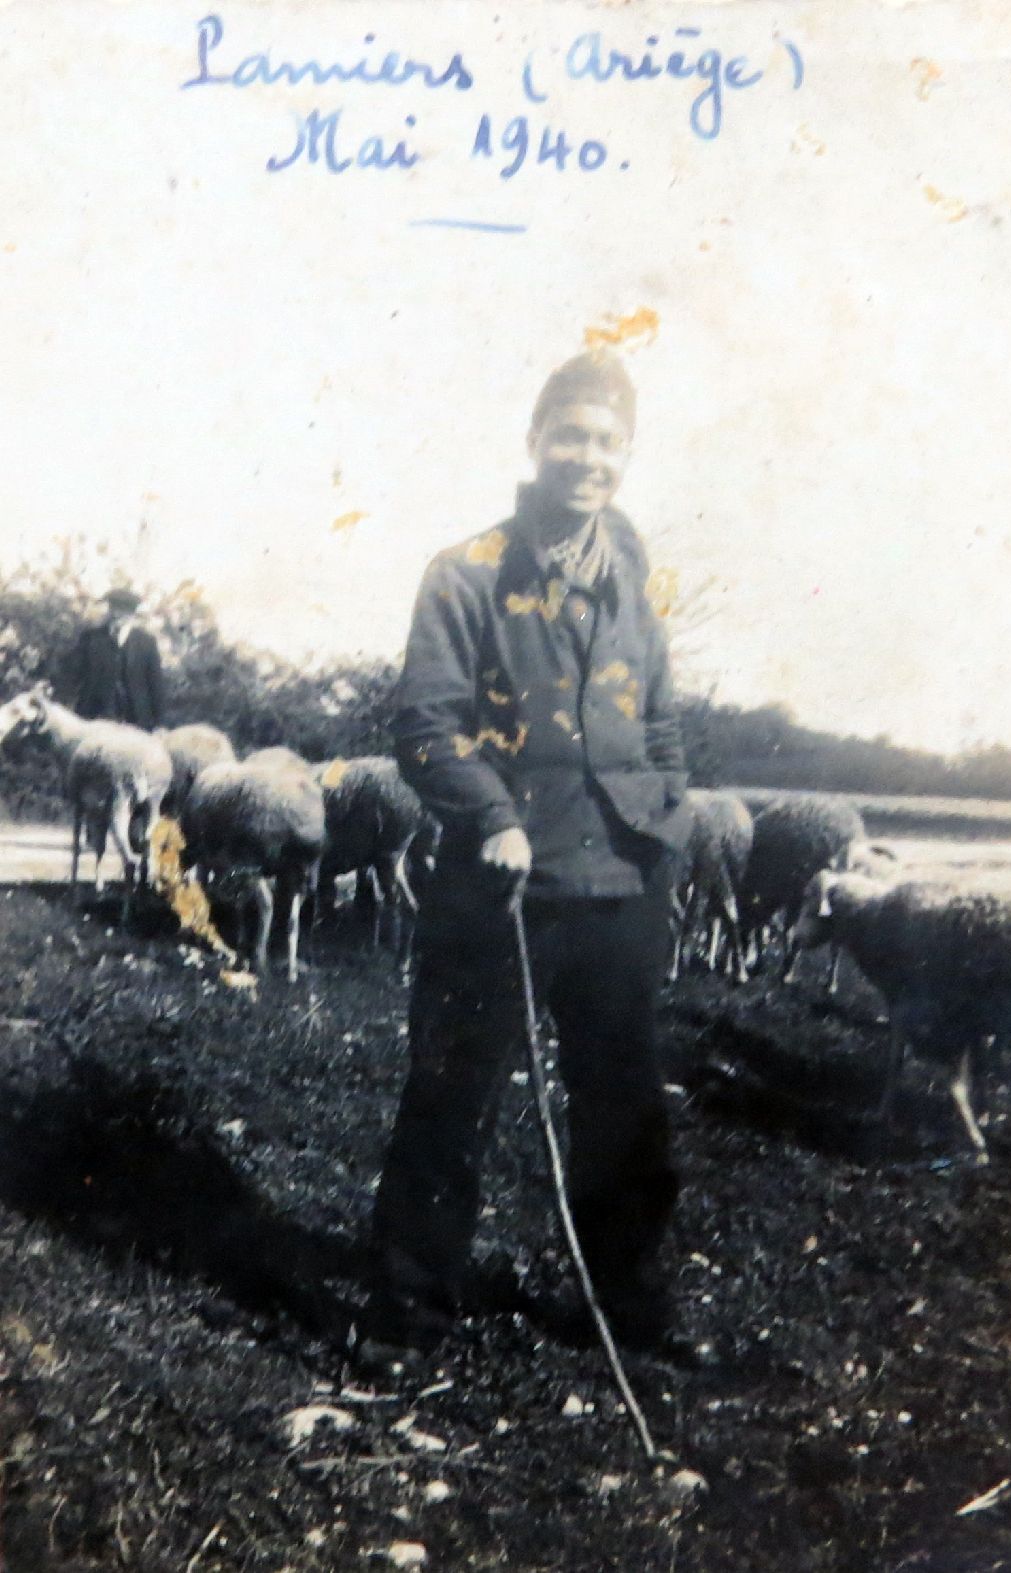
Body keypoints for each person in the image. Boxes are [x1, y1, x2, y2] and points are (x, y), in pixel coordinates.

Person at [367, 350, 694, 1358]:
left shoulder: (634, 577)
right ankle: (409, 1314)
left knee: (625, 1104)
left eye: (608, 442)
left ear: (627, 455)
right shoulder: (465, 571)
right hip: (499, 880)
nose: (588, 458)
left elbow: (661, 722)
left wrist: (669, 820)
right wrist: (490, 816)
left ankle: (625, 1307)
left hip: (621, 878)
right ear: (534, 441)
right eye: (570, 436)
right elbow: (425, 722)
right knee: (452, 1094)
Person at [66, 587, 166, 731]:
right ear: (109, 611)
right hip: (96, 715)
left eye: (124, 612)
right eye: (115, 610)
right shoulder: (91, 638)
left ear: (132, 615)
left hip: (136, 717)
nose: (118, 615)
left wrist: (160, 723)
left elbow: (156, 683)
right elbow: (73, 673)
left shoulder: (146, 641)